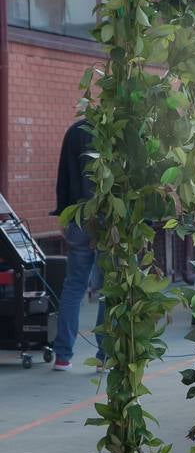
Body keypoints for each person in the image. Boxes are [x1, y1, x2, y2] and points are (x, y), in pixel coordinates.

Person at [50, 118, 105, 371]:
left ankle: (62, 355)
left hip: (77, 216)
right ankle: (105, 356)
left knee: (73, 286)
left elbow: (63, 176)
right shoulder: (115, 131)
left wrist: (63, 213)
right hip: (109, 220)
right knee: (109, 290)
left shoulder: (74, 131)